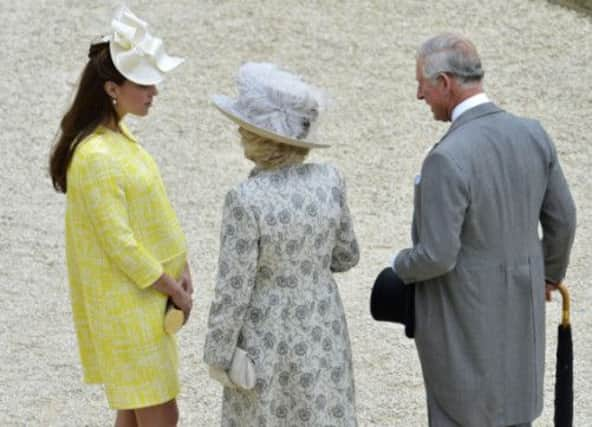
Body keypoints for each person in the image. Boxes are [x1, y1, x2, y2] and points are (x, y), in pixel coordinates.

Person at [391, 33, 576, 427]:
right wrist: (548, 274)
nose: (418, 96)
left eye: (421, 84)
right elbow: (563, 219)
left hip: (462, 329)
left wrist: (398, 265)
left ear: (444, 82)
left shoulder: (447, 157)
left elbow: (437, 255)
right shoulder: (533, 134)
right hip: (520, 326)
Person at [48, 6, 192, 427]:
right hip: (129, 310)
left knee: (135, 415)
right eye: (144, 83)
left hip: (143, 307)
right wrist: (176, 290)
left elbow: (154, 215)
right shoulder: (94, 155)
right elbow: (120, 244)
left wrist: (183, 265)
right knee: (162, 416)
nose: (154, 92)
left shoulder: (118, 137)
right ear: (113, 88)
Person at [203, 62, 360, 426]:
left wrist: (218, 353)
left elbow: (233, 287)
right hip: (323, 325)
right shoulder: (330, 180)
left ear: (258, 137)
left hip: (266, 332)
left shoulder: (246, 198)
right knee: (323, 412)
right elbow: (347, 255)